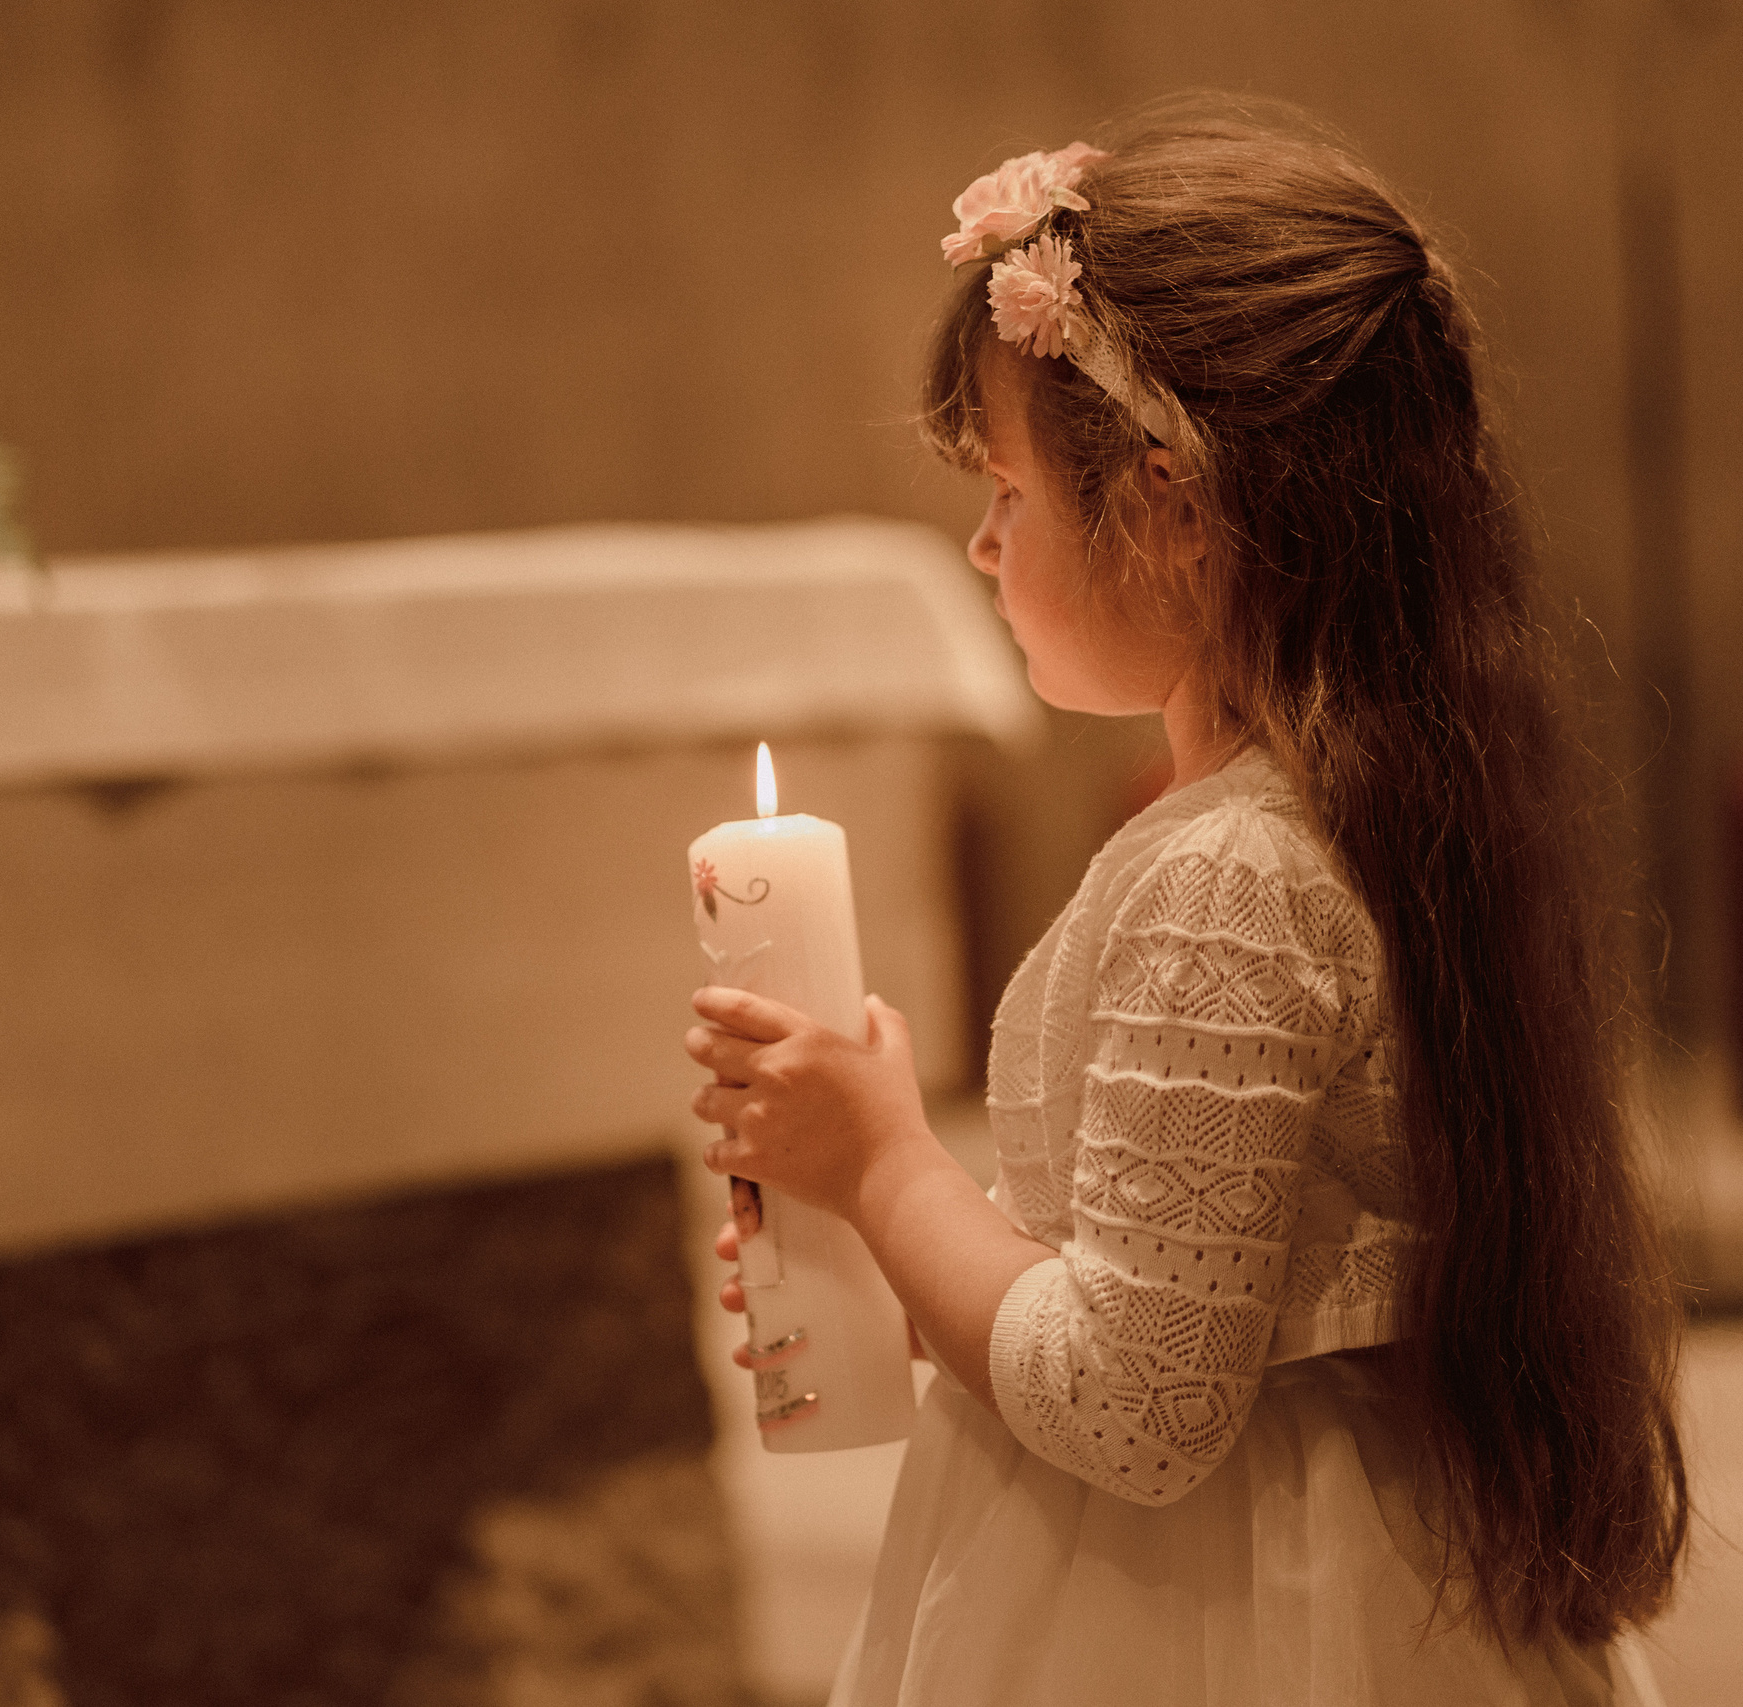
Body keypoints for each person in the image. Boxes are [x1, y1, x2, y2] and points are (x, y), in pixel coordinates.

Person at [685, 101, 1687, 1706]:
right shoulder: (1352, 810)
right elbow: (1198, 1280)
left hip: (1224, 1620)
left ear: (1171, 507)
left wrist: (882, 1166)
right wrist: (905, 1273)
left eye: (1009, 491)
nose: (981, 542)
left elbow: (1141, 1405)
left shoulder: (1229, 879)